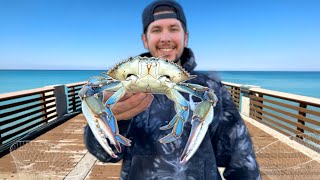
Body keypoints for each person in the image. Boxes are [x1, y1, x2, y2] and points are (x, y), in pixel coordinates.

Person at [84, 0, 261, 179]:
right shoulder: (116, 91)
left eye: (174, 29)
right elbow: (105, 154)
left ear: (186, 37)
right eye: (156, 30)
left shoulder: (210, 89)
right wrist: (113, 118)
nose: (165, 38)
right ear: (145, 39)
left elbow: (241, 158)